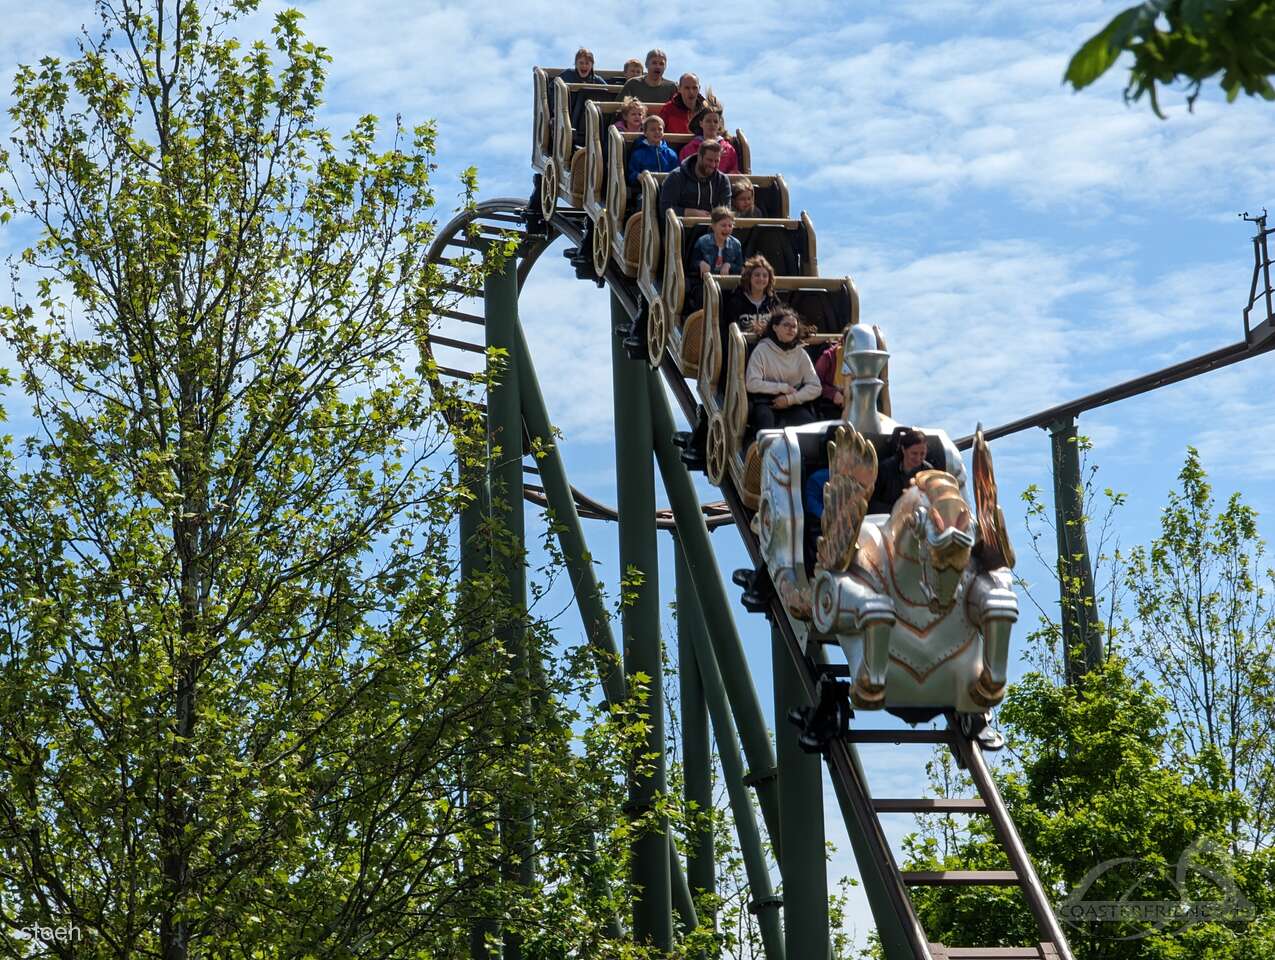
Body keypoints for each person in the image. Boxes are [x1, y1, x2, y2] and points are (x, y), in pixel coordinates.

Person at [745, 307, 821, 436]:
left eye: (794, 326)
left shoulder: (801, 354)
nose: (791, 329)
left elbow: (815, 387)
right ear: (775, 327)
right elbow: (752, 383)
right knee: (766, 430)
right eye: (786, 325)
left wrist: (790, 399)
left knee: (811, 429)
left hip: (793, 402)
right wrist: (782, 388)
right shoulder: (762, 350)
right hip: (765, 403)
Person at [868, 428, 934, 515]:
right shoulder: (885, 469)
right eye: (914, 453)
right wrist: (898, 510)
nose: (918, 459)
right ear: (903, 449)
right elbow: (871, 503)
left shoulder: (928, 471)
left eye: (922, 454)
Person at [658, 139, 732, 218]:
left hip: (711, 228)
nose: (713, 165)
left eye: (717, 161)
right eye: (709, 160)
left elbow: (725, 213)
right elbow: (664, 210)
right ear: (699, 156)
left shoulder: (722, 181)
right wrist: (690, 213)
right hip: (681, 228)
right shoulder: (676, 177)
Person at [679, 100, 739, 173]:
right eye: (708, 121)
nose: (712, 124)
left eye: (715, 121)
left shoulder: (728, 149)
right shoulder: (688, 149)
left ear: (719, 124)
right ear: (701, 123)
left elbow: (734, 173)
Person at [627, 114, 679, 186]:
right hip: (645, 191)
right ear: (645, 133)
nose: (657, 132)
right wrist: (637, 176)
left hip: (667, 189)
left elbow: (677, 174)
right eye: (653, 129)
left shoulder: (671, 154)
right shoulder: (638, 154)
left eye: (660, 129)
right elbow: (630, 175)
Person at [814, 335, 851, 420]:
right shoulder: (828, 357)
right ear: (843, 341)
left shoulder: (862, 360)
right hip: (829, 403)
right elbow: (815, 381)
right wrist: (833, 394)